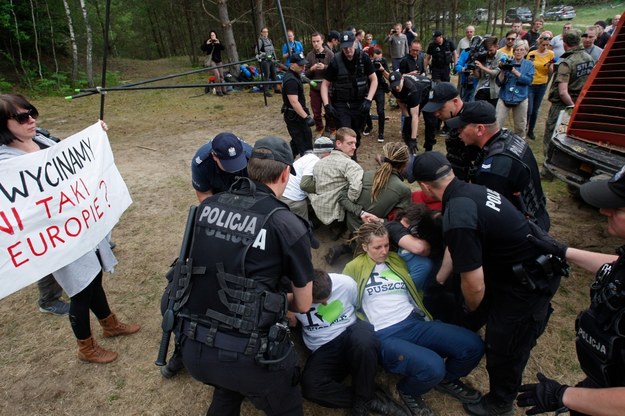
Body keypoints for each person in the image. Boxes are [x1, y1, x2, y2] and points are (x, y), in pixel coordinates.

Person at [412, 151, 566, 416]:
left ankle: (500, 403)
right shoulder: (470, 191)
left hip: (525, 284)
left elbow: (474, 285)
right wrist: (440, 281)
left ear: (425, 186)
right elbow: (457, 247)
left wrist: (471, 307)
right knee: (481, 320)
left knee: (505, 346)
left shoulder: (458, 211)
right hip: (512, 271)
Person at [175, 136, 315, 416]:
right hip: (250, 356)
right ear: (285, 173)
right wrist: (272, 298)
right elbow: (303, 304)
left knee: (228, 389)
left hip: (193, 344)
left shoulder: (207, 208)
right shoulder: (286, 224)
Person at [0, 94, 140, 364]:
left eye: (31, 112)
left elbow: (68, 155)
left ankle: (109, 324)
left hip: (78, 225)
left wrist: (94, 136)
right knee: (80, 289)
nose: (31, 120)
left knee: (93, 276)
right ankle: (86, 347)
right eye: (21, 117)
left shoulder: (39, 139)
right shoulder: (6, 163)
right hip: (55, 237)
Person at [343, 222, 485, 416]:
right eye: (377, 247)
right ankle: (409, 390)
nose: (384, 251)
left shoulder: (396, 260)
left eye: (386, 245)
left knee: (473, 345)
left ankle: (446, 380)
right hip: (385, 334)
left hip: (413, 322)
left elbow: (422, 261)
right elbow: (345, 301)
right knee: (433, 366)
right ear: (365, 246)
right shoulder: (353, 268)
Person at [516, 165, 625, 416]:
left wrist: (563, 395)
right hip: (604, 379)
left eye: (617, 208)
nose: (603, 211)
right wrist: (562, 250)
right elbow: (617, 267)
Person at [293, 270, 404, 415]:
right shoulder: (292, 299)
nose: (326, 304)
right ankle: (370, 398)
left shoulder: (345, 284)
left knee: (364, 337)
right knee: (311, 387)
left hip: (350, 333)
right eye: (319, 302)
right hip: (323, 347)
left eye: (328, 298)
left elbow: (359, 306)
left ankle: (362, 403)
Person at [447, 100, 550, 231]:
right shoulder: (510, 138)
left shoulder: (494, 169)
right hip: (538, 213)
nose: (458, 132)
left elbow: (492, 216)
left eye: (462, 127)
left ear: (480, 129)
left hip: (526, 231)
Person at [303, 128, 373, 234]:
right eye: (350, 143)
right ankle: (340, 228)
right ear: (338, 143)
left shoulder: (319, 163)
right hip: (336, 213)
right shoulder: (351, 166)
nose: (354, 147)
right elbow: (355, 189)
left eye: (355, 143)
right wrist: (349, 203)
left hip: (319, 206)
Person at [321, 31, 377, 156]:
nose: (347, 50)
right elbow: (325, 84)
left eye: (350, 46)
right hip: (341, 104)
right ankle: (348, 160)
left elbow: (374, 79)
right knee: (345, 135)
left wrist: (368, 100)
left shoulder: (364, 58)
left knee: (356, 135)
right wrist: (326, 105)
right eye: (344, 47)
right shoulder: (336, 60)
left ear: (355, 43)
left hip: (359, 103)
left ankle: (353, 152)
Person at [542, 30, 594, 164]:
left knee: (552, 134)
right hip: (579, 101)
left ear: (565, 44)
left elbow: (563, 92)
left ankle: (548, 167)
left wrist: (571, 107)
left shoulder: (567, 63)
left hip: (563, 105)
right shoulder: (588, 58)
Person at [280, 136, 334, 220]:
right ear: (324, 152)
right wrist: (324, 187)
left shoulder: (307, 157)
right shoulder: (314, 161)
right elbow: (305, 185)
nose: (331, 155)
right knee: (301, 224)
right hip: (293, 199)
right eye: (330, 152)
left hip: (283, 193)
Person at [191, 132, 252, 202]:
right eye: (229, 164)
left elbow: (262, 191)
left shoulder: (252, 158)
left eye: (237, 161)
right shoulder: (202, 164)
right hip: (217, 193)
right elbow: (205, 194)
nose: (234, 169)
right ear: (214, 157)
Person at [388, 71, 437, 153]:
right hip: (416, 95)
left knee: (430, 121)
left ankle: (429, 148)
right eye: (394, 85)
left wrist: (413, 139)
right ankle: (410, 149)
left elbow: (415, 116)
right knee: (408, 122)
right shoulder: (394, 88)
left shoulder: (412, 89)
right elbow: (400, 101)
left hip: (428, 93)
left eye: (398, 84)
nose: (396, 87)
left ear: (402, 79)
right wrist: (407, 116)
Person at [495, 40, 534, 139]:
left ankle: (520, 142)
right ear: (513, 51)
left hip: (521, 97)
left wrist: (514, 71)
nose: (519, 52)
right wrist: (503, 70)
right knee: (497, 123)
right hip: (504, 96)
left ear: (525, 52)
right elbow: (499, 83)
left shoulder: (529, 64)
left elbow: (528, 81)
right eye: (516, 50)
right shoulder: (508, 62)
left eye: (521, 50)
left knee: (520, 125)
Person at [282, 52, 314, 157]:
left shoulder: (295, 75)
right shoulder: (291, 80)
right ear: (292, 65)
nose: (303, 67)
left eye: (304, 65)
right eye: (300, 65)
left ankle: (287, 162)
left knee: (297, 142)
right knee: (305, 145)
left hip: (296, 115)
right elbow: (294, 102)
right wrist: (306, 117)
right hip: (295, 117)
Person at [305, 32, 335, 135]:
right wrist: (312, 69)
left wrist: (325, 67)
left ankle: (331, 128)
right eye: (313, 42)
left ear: (322, 41)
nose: (316, 43)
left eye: (318, 41)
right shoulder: (309, 55)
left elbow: (336, 70)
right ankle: (319, 128)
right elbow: (306, 74)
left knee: (329, 110)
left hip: (327, 88)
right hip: (315, 88)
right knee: (316, 112)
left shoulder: (330, 54)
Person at [526, 35, 555, 140]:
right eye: (543, 45)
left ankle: (531, 130)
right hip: (531, 84)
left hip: (542, 84)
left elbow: (551, 71)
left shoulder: (551, 54)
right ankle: (524, 127)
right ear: (539, 44)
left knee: (535, 110)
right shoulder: (532, 54)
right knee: (529, 109)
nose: (545, 47)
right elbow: (527, 67)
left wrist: (549, 67)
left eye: (547, 45)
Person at [363, 48, 390, 143]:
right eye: (376, 59)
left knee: (380, 111)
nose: (378, 61)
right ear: (371, 57)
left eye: (379, 58)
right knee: (365, 108)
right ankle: (369, 126)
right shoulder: (367, 61)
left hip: (380, 88)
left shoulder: (384, 61)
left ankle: (381, 132)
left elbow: (388, 77)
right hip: (368, 87)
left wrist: (382, 70)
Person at [473, 36, 506, 108]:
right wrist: (474, 68)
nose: (489, 52)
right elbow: (478, 76)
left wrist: (482, 67)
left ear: (497, 46)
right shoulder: (483, 55)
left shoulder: (502, 56)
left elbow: (495, 73)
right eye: (487, 50)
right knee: (478, 115)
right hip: (481, 89)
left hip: (493, 92)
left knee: (491, 115)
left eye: (491, 50)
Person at [201, 31, 228, 96]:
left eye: (213, 35)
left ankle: (224, 90)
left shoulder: (218, 41)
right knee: (217, 75)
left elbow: (223, 48)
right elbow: (202, 49)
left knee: (221, 75)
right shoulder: (207, 42)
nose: (212, 36)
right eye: (211, 35)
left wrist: (218, 42)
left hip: (219, 60)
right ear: (209, 36)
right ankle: (218, 91)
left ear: (216, 35)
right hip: (212, 60)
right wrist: (207, 44)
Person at [257, 27, 279, 97]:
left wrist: (275, 58)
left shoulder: (269, 40)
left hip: (272, 60)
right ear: (261, 33)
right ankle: (266, 91)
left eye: (266, 32)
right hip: (265, 61)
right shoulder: (260, 41)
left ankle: (276, 88)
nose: (265, 33)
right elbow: (256, 51)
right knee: (267, 75)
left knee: (274, 74)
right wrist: (265, 55)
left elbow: (273, 50)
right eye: (264, 32)